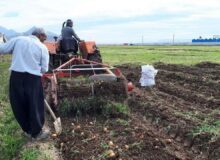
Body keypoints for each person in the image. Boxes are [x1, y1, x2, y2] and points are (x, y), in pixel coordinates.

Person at [0, 28, 50, 140]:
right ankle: (36, 133)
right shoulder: (42, 47)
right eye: (44, 38)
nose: (44, 41)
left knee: (18, 103)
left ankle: (27, 130)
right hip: (33, 79)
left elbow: (2, 49)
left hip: (16, 77)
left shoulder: (18, 39)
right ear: (40, 35)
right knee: (35, 105)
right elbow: (44, 69)